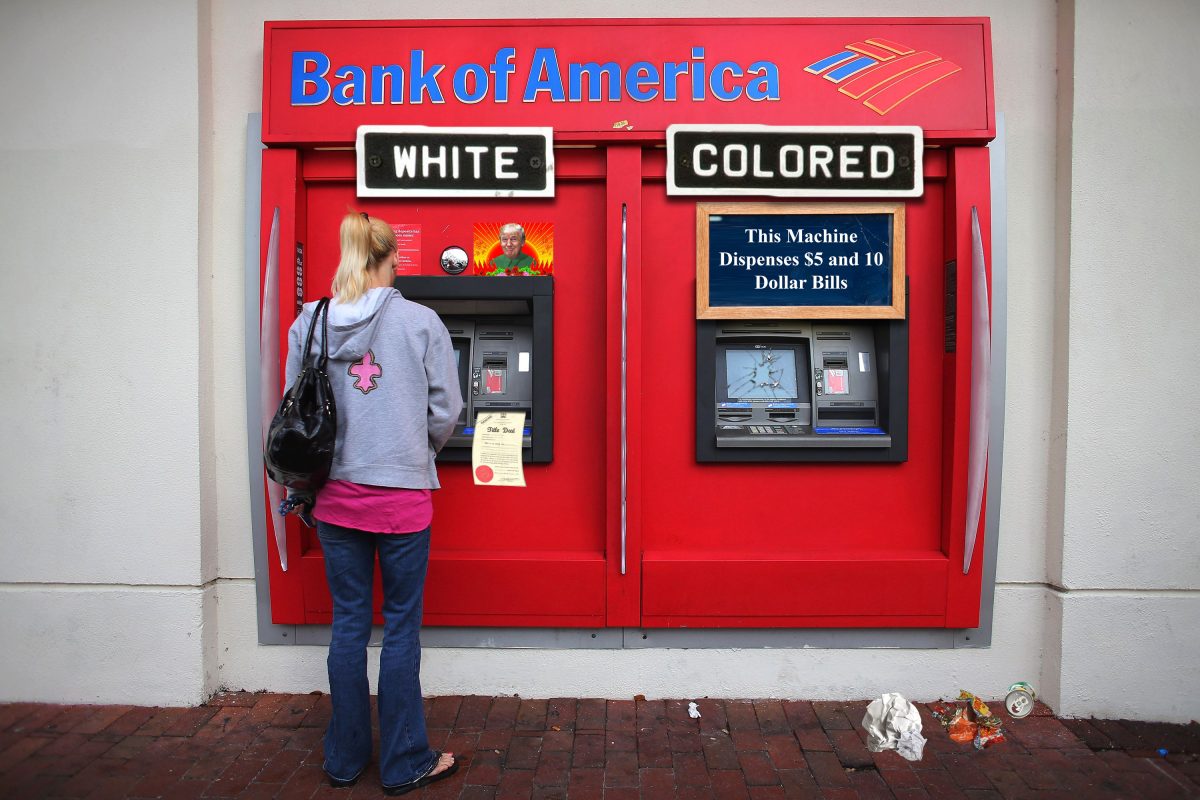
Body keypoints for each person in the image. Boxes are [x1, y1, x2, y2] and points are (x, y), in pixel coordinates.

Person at [283, 211, 464, 795]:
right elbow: (446, 410)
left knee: (348, 625)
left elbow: (296, 412)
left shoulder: (308, 323)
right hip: (403, 500)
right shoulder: (420, 321)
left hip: (336, 500)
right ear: (394, 257)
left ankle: (344, 757)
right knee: (402, 627)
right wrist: (417, 453)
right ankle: (405, 759)